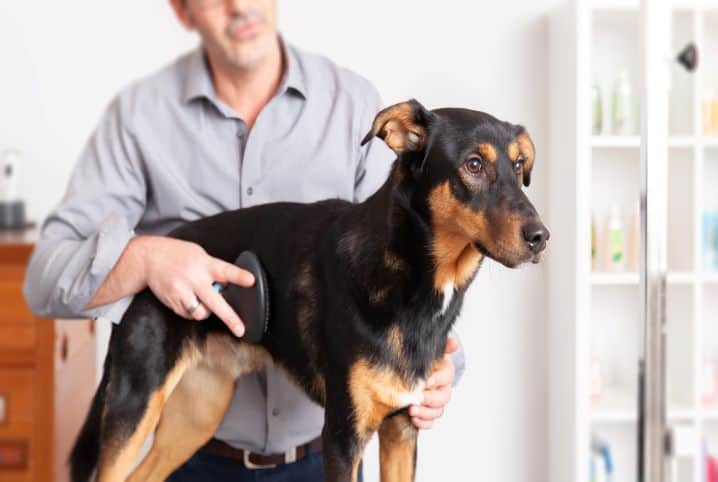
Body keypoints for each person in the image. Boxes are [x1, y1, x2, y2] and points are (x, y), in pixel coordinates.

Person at [23, 1, 464, 480]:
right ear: (183, 10)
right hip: (193, 461)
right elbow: (44, 278)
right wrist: (143, 256)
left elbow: (415, 264)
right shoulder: (138, 119)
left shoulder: (355, 105)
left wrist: (444, 371)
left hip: (327, 453)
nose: (239, 6)